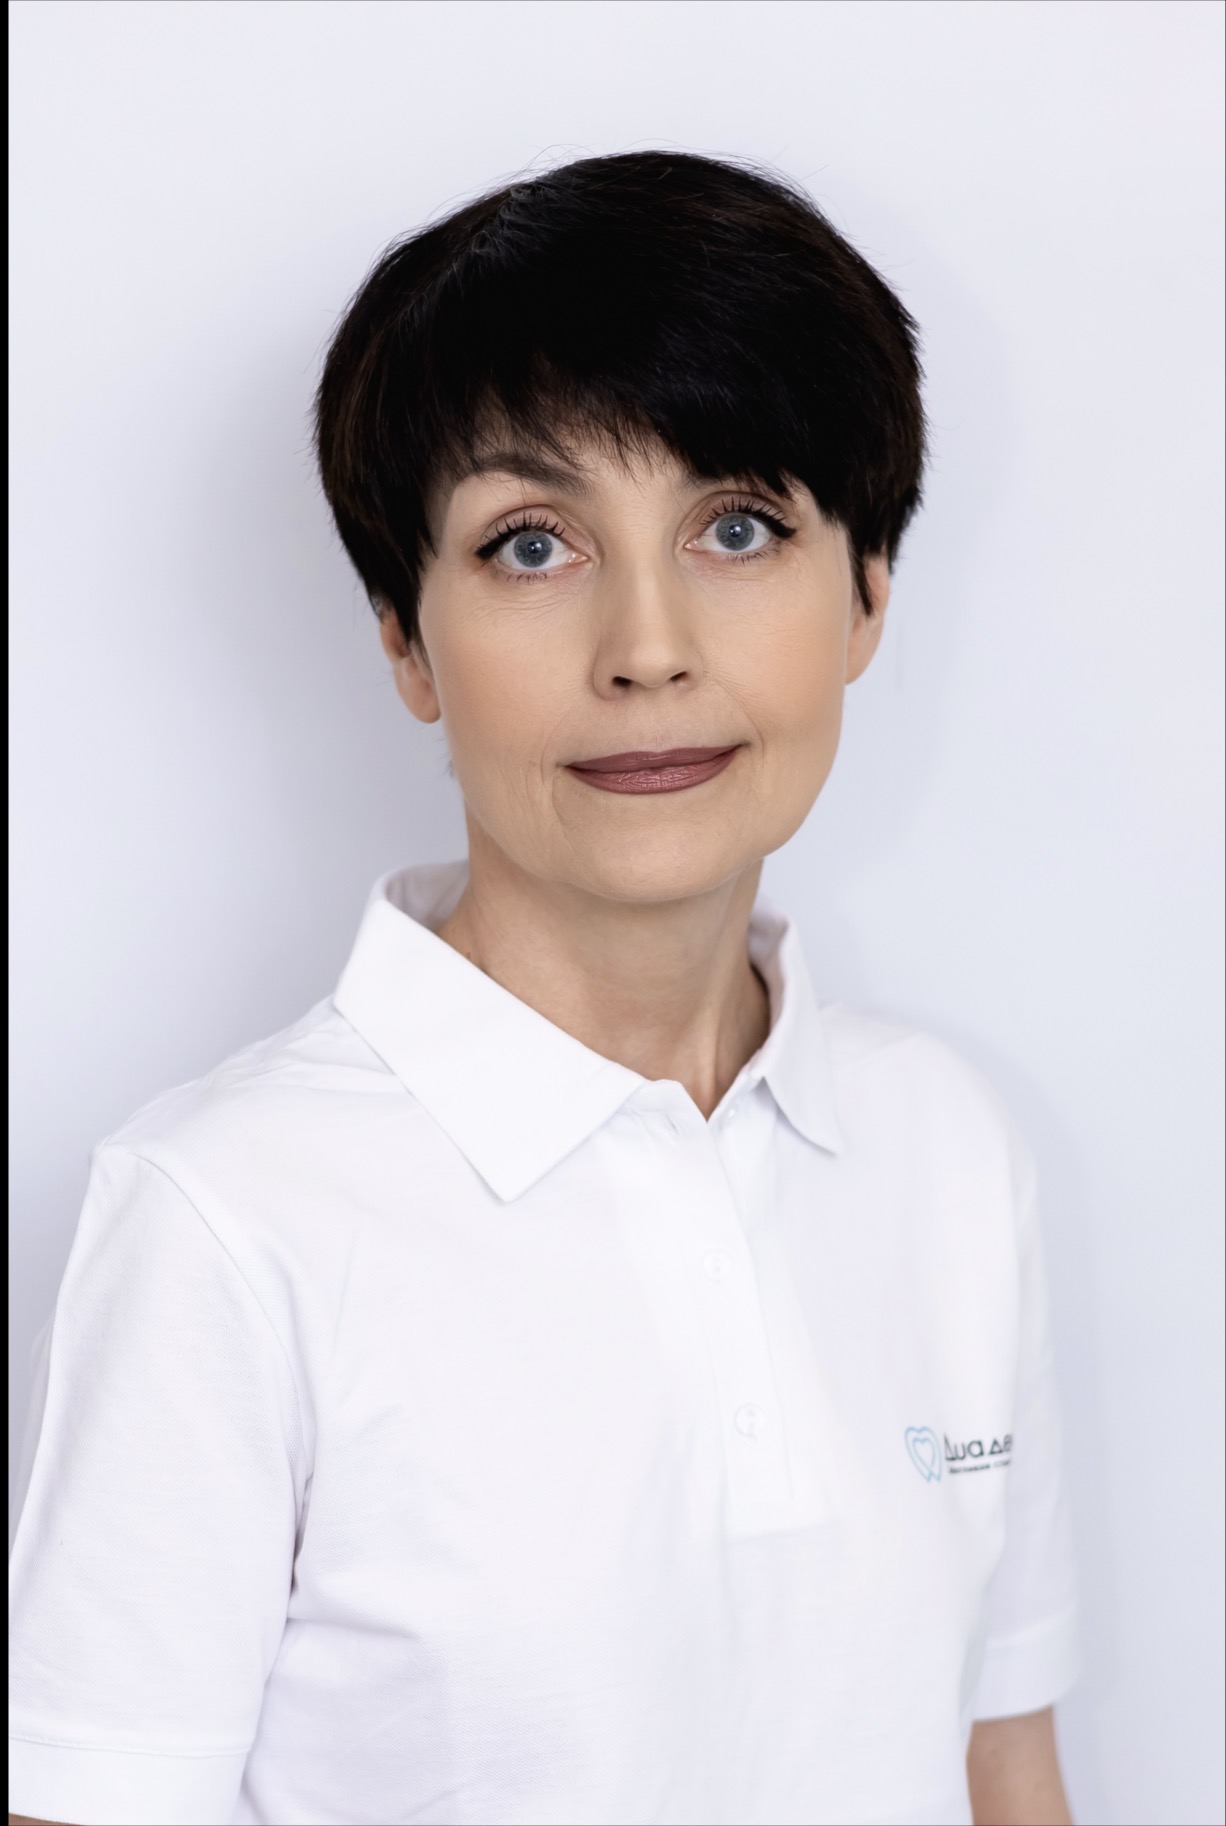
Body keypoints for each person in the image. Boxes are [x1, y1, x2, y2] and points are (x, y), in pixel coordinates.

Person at [8, 151, 1078, 1826]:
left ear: (868, 591)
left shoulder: (945, 1143)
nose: (646, 646)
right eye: (530, 545)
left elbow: (997, 1764)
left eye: (737, 527)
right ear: (403, 638)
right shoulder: (224, 1216)